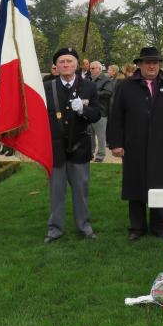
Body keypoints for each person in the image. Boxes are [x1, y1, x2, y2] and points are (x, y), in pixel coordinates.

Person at [107, 47, 163, 241]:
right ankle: (137, 226)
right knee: (135, 184)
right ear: (139, 64)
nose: (152, 66)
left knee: (160, 184)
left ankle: (159, 226)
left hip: (162, 145)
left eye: (155, 62)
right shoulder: (125, 86)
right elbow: (116, 116)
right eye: (147, 62)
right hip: (134, 144)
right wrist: (116, 143)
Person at [43, 47, 102, 243]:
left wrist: (83, 109)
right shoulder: (47, 87)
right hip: (56, 148)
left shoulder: (89, 87)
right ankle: (55, 229)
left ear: (77, 64)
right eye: (62, 62)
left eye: (69, 61)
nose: (66, 65)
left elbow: (97, 114)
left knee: (80, 191)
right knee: (57, 192)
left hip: (79, 147)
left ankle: (84, 227)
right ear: (56, 66)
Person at [88, 60, 113, 163]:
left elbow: (108, 93)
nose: (91, 70)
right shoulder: (88, 79)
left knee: (101, 136)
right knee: (89, 135)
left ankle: (100, 155)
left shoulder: (106, 80)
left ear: (99, 69)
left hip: (101, 112)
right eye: (90, 68)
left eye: (93, 68)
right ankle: (90, 153)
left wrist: (94, 93)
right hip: (89, 111)